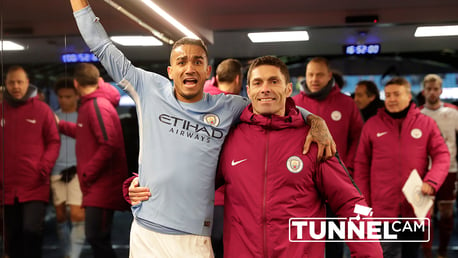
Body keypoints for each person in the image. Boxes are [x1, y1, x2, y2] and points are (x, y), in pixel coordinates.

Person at [70, 1, 336, 256]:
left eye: (197, 61)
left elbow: (271, 104)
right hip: (146, 230)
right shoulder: (147, 88)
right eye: (182, 62)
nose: (190, 67)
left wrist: (316, 120)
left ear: (208, 71)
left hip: (194, 237)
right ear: (170, 70)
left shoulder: (227, 106)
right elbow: (101, 45)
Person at [128, 56, 383, 257]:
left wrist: (369, 254)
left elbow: (351, 204)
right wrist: (139, 184)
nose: (266, 89)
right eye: (258, 83)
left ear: (289, 88)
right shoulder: (230, 137)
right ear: (247, 90)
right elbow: (189, 179)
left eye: (274, 81)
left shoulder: (313, 141)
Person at [354, 77, 450, 258]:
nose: (391, 99)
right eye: (388, 95)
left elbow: (442, 156)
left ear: (408, 96)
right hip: (382, 209)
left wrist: (432, 180)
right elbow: (361, 166)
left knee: (411, 253)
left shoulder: (426, 124)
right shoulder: (372, 125)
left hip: (414, 207)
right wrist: (364, 204)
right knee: (385, 254)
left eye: (396, 94)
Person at [292, 57, 363, 257]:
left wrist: (347, 170)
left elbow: (357, 139)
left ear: (329, 76)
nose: (314, 79)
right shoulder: (294, 104)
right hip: (303, 183)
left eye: (319, 74)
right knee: (303, 238)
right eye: (310, 74)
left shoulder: (346, 103)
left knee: (334, 237)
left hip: (336, 182)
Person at [58, 63, 129, 258]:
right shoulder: (91, 104)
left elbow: (109, 143)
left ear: (75, 83)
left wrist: (88, 172)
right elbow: (85, 133)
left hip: (103, 186)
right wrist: (61, 125)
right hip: (98, 186)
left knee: (97, 238)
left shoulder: (98, 105)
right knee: (98, 239)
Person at [1, 65, 61, 258]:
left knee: (31, 232)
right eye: (11, 82)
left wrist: (44, 167)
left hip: (35, 184)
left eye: (19, 82)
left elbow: (54, 141)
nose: (15, 86)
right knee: (12, 236)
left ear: (27, 83)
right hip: (7, 187)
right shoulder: (1, 110)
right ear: (6, 84)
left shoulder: (42, 110)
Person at [203, 58, 244, 258]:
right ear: (238, 79)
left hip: (196, 196)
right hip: (225, 195)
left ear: (216, 78)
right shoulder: (239, 109)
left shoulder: (197, 100)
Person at [420, 74, 458, 258]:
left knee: (446, 212)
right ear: (423, 91)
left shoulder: (453, 113)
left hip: (450, 169)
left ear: (441, 90)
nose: (433, 92)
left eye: (436, 89)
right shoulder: (418, 114)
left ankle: (442, 252)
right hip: (425, 171)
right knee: (426, 214)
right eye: (429, 89)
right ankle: (427, 252)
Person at [51, 77, 85, 258]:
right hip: (56, 171)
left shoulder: (83, 117)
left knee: (78, 216)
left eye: (68, 96)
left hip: (77, 171)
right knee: (60, 216)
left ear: (77, 96)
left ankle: (73, 255)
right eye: (61, 97)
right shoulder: (52, 117)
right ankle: (66, 252)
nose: (64, 100)